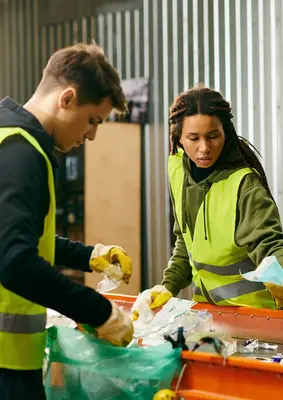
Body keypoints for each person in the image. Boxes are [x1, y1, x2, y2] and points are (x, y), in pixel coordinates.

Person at [0, 43, 135, 399]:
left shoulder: (6, 137)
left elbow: (15, 236)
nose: (91, 134)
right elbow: (14, 261)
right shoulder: (22, 155)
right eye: (92, 120)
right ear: (68, 98)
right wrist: (99, 311)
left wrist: (87, 256)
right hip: (5, 365)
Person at [132, 86, 283, 317]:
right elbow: (186, 240)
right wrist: (168, 285)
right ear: (178, 137)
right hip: (207, 313)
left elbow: (271, 242)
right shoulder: (178, 170)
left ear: (226, 133)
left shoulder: (244, 183)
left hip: (257, 316)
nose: (204, 148)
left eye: (213, 136)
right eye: (194, 138)